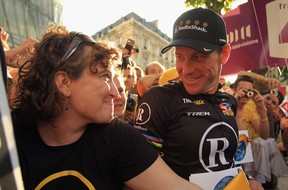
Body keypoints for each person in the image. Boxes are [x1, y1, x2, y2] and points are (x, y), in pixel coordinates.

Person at [10, 24, 202, 190]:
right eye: (104, 76)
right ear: (64, 82)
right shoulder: (11, 139)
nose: (116, 93)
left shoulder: (117, 137)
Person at [134, 8, 262, 190]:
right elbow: (136, 170)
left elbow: (236, 156)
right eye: (179, 57)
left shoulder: (229, 101)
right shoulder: (159, 99)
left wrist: (248, 178)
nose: (186, 69)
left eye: (198, 57)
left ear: (224, 54)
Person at [232, 75, 269, 140]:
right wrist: (235, 104)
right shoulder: (226, 107)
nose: (246, 94)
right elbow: (241, 136)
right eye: (242, 90)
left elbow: (264, 136)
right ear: (234, 90)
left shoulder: (248, 110)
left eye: (249, 91)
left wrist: (262, 109)